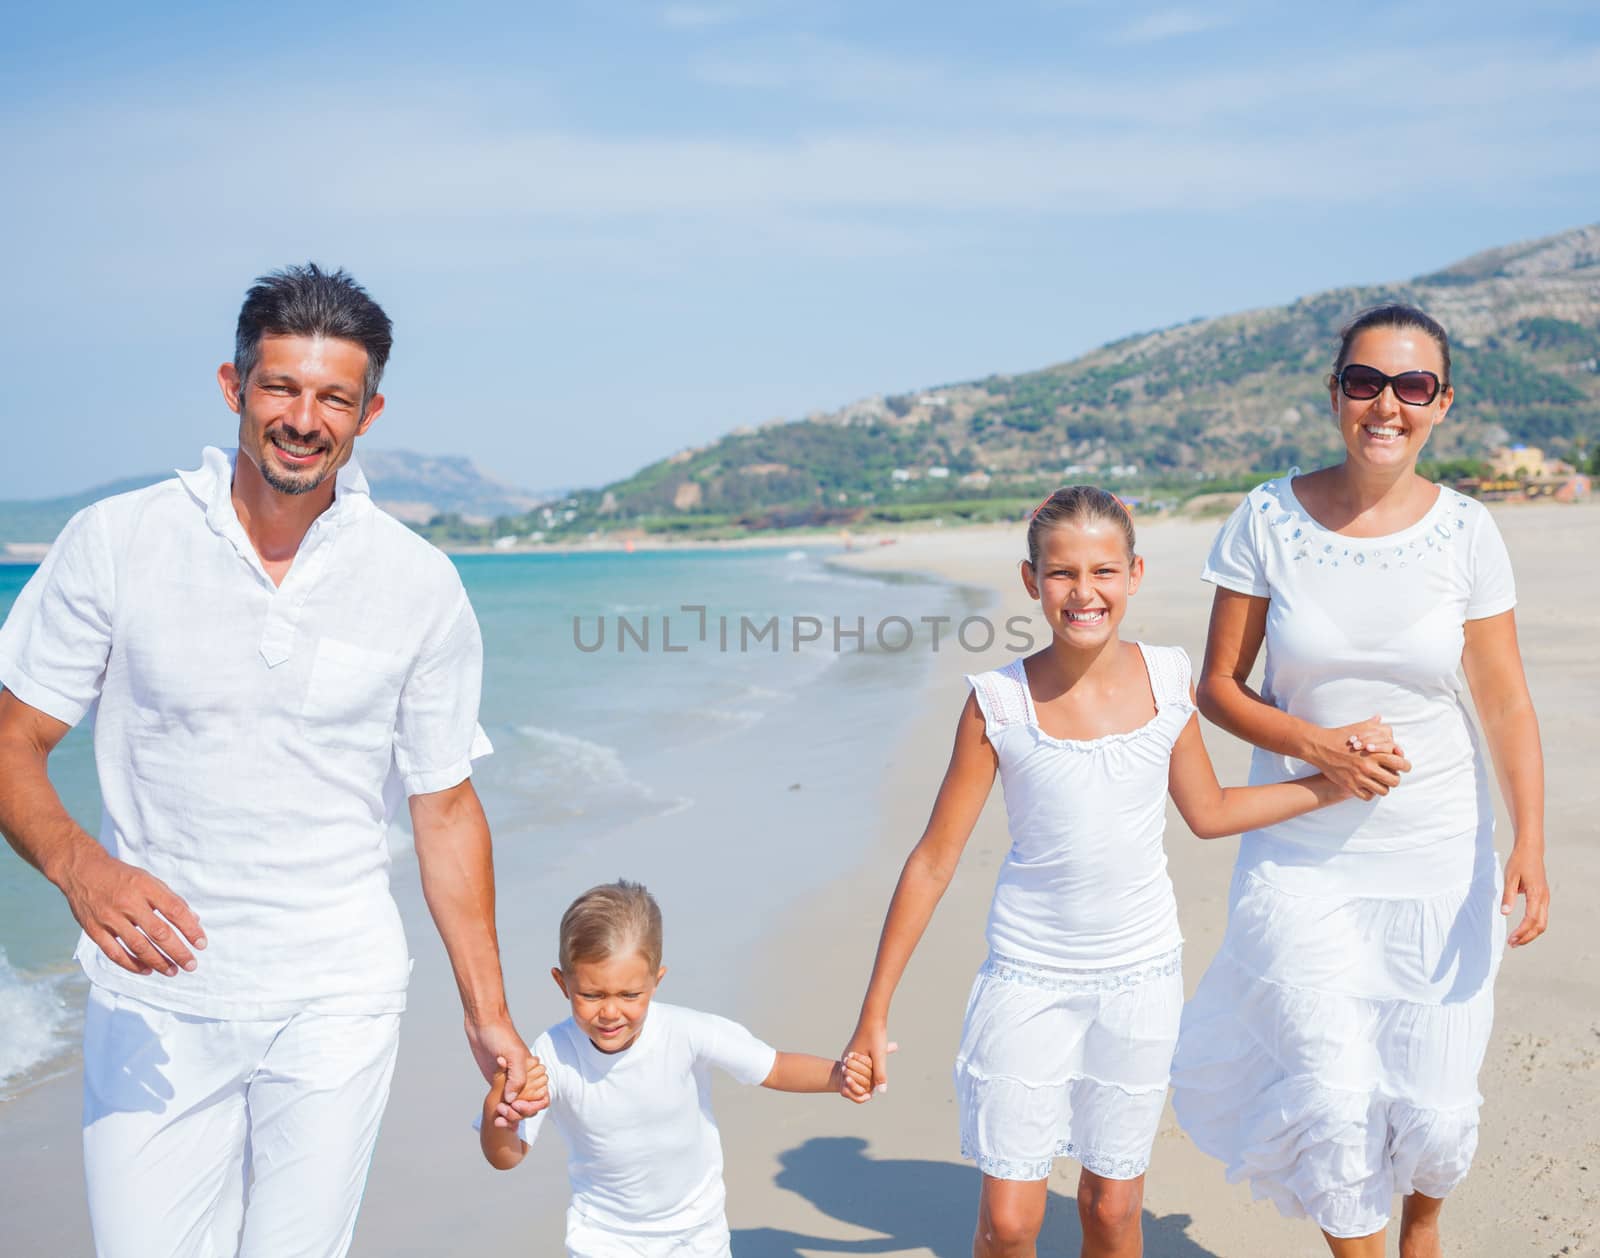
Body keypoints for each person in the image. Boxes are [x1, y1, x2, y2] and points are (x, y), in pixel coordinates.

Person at [0, 264, 539, 1257]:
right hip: (156, 993)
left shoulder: (417, 583)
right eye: (281, 386)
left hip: (338, 990)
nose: (304, 417)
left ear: (369, 411)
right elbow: (14, 737)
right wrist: (78, 865)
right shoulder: (118, 542)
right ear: (232, 386)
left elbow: (445, 808)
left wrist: (488, 1016)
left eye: (334, 396)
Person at [843, 486, 1362, 1258]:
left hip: (1138, 979)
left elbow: (1209, 810)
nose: (1083, 593)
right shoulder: (998, 704)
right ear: (1032, 582)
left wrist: (1328, 783)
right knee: (1011, 1224)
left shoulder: (1166, 680)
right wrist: (873, 1011)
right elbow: (932, 861)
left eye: (1103, 572)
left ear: (1135, 574)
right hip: (1027, 979)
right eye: (1062, 575)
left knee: (1112, 1211)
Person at [1169, 304, 1551, 1257]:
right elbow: (1217, 687)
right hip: (1301, 858)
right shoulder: (1265, 518)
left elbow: (1504, 703)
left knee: (1433, 1109)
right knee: (1334, 1105)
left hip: (1436, 856)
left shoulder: (1467, 531)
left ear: (1442, 404)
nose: (1387, 403)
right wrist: (1319, 745)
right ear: (1335, 392)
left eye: (1412, 386)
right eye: (1365, 381)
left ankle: (1423, 1229)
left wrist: (1532, 843)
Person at [479, 880, 873, 1257]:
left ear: (656, 981)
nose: (610, 1011)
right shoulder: (550, 1055)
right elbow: (505, 1157)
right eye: (591, 994)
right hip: (603, 1238)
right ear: (562, 983)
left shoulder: (688, 1032)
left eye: (630, 994)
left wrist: (840, 1077)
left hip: (697, 1233)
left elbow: (774, 1067)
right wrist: (500, 1112)